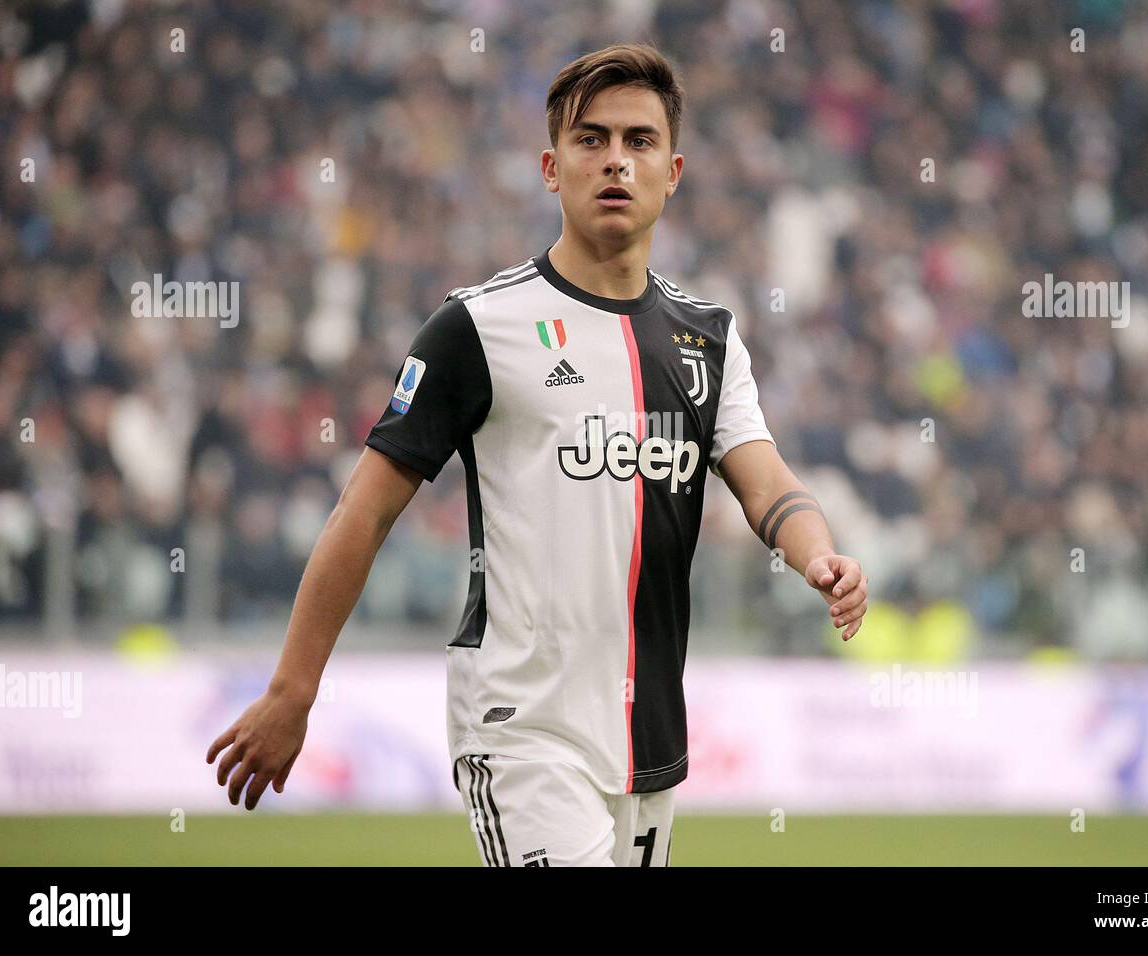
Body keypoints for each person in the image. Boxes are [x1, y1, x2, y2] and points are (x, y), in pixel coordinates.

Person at [206, 41, 868, 866]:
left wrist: (819, 557)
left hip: (648, 739)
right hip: (521, 731)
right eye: (591, 140)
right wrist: (292, 689)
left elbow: (765, 480)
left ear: (675, 169)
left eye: (639, 141)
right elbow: (364, 511)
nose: (616, 161)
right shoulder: (477, 327)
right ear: (552, 169)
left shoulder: (710, 340)